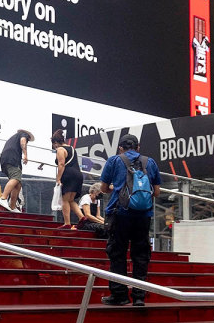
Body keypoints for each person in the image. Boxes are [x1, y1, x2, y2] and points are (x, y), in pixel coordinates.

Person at [98, 133, 163, 307]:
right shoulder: (150, 162)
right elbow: (156, 192)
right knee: (141, 255)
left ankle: (120, 295)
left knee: (117, 253)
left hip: (119, 214)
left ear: (121, 148)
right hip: (143, 215)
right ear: (138, 147)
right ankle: (139, 296)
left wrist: (118, 187)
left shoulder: (114, 161)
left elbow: (103, 188)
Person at [0, 129, 33, 213]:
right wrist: (25, 155)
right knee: (15, 178)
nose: (27, 141)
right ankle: (3, 198)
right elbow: (23, 141)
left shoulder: (13, 138)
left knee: (18, 184)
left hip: (5, 159)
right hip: (12, 159)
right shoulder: (23, 135)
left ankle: (12, 206)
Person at [52, 130, 82, 229]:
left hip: (68, 175)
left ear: (56, 142)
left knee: (65, 199)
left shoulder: (60, 149)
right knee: (71, 200)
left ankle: (67, 223)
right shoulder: (72, 148)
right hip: (78, 174)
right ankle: (82, 218)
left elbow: (61, 164)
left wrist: (58, 178)